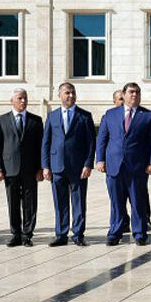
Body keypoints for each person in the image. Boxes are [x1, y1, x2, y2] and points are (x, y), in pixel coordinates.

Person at [96, 83, 151, 246]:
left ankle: (139, 233)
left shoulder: (148, 116)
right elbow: (102, 138)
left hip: (137, 166)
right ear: (123, 94)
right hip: (114, 165)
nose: (134, 95)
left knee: (138, 201)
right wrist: (100, 159)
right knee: (116, 201)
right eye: (131, 92)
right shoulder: (110, 114)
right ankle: (115, 232)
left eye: (137, 92)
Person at [41, 83, 95, 246]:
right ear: (59, 95)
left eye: (73, 92)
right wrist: (45, 166)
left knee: (79, 201)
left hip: (78, 167)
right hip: (57, 166)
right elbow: (46, 142)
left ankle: (78, 234)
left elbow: (91, 143)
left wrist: (88, 164)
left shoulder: (84, 116)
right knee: (60, 202)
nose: (70, 95)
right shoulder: (52, 116)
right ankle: (61, 234)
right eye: (67, 93)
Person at [0, 87, 44, 247]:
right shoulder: (2, 120)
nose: (23, 101)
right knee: (12, 202)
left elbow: (40, 146)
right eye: (20, 98)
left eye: (25, 98)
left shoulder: (35, 120)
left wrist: (41, 168)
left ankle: (27, 234)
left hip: (30, 169)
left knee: (30, 203)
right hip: (10, 168)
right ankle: (15, 233)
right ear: (12, 101)